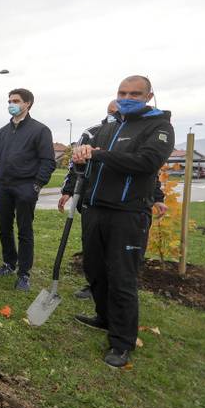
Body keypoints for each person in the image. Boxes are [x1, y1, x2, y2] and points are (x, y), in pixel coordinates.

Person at [71, 75, 174, 368]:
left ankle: (122, 341)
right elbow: (92, 164)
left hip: (129, 214)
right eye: (122, 92)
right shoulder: (109, 126)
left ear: (149, 96)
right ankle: (104, 317)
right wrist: (83, 160)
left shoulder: (160, 127)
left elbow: (147, 163)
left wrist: (101, 155)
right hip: (96, 210)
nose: (127, 97)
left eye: (135, 93)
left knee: (122, 278)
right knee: (94, 270)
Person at [59, 100, 166, 300]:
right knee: (94, 251)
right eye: (111, 111)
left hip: (124, 205)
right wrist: (68, 189)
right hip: (93, 199)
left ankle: (114, 298)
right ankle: (96, 287)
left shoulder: (138, 134)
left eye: (117, 111)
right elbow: (76, 164)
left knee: (117, 257)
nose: (115, 114)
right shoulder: (93, 132)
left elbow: (150, 170)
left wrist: (157, 197)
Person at [0, 88, 55, 292]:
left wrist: (37, 185)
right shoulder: (2, 132)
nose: (11, 103)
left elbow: (48, 161)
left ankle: (24, 274)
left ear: (28, 104)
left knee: (25, 231)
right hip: (4, 186)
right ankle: (9, 263)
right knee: (4, 228)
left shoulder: (40, 130)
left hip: (26, 186)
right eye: (9, 100)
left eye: (16, 100)